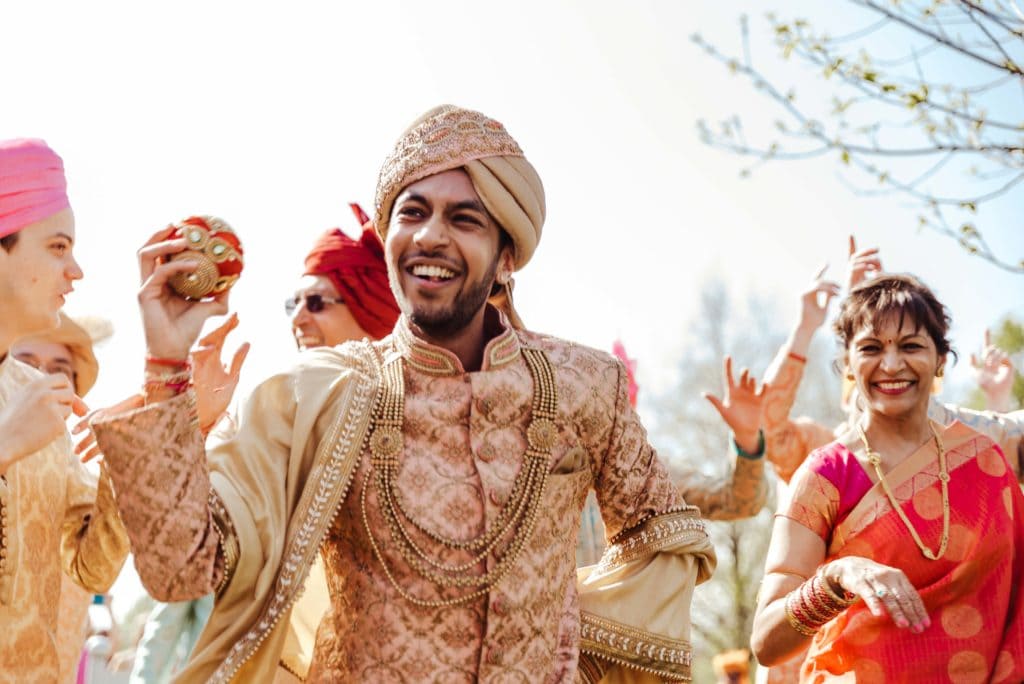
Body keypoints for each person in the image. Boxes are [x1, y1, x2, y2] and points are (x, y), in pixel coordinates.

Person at [91, 105, 721, 682]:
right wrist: (164, 366)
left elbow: (666, 536)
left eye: (464, 219)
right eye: (412, 213)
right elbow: (183, 568)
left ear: (507, 255)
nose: (429, 237)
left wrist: (571, 647)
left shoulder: (586, 385)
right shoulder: (318, 393)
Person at [751, 273, 1024, 682]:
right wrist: (836, 578)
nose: (892, 364)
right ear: (848, 364)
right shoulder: (826, 475)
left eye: (911, 345)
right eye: (871, 348)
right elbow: (765, 642)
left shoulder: (984, 460)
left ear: (939, 361)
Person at [0, 138, 128, 682]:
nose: (75, 270)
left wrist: (132, 457)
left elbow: (90, 567)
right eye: (57, 247)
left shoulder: (42, 399)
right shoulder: (32, 412)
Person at [11, 312, 112, 684]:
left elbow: (97, 570)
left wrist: (119, 469)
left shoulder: (83, 484)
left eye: (58, 370)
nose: (39, 378)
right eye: (26, 363)